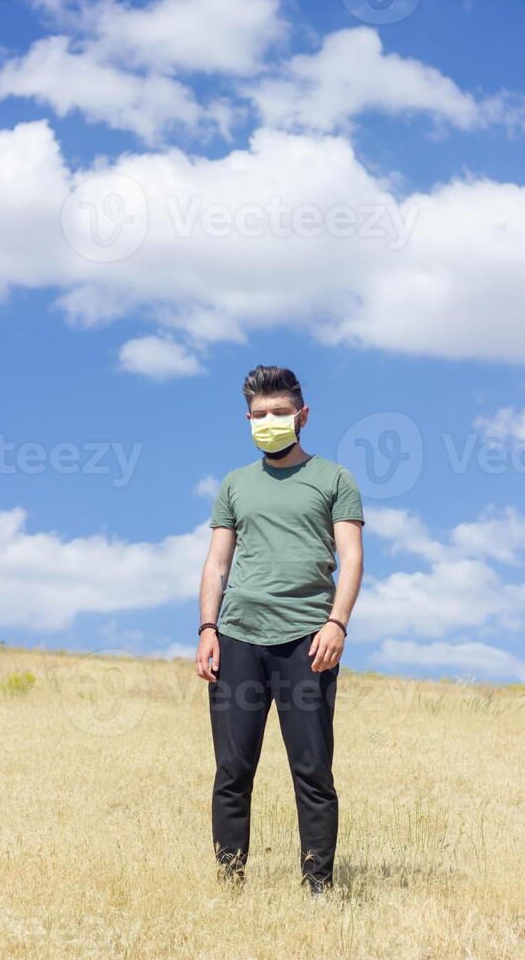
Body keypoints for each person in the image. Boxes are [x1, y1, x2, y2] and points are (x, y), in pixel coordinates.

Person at [196, 364, 365, 895]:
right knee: (232, 772)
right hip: (239, 639)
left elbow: (352, 556)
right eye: (259, 415)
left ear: (302, 416)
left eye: (279, 413)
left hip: (307, 642)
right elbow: (216, 563)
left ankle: (318, 889)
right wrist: (207, 628)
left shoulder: (335, 479)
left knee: (312, 771)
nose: (269, 422)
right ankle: (230, 884)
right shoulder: (234, 484)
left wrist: (337, 622)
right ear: (247, 420)